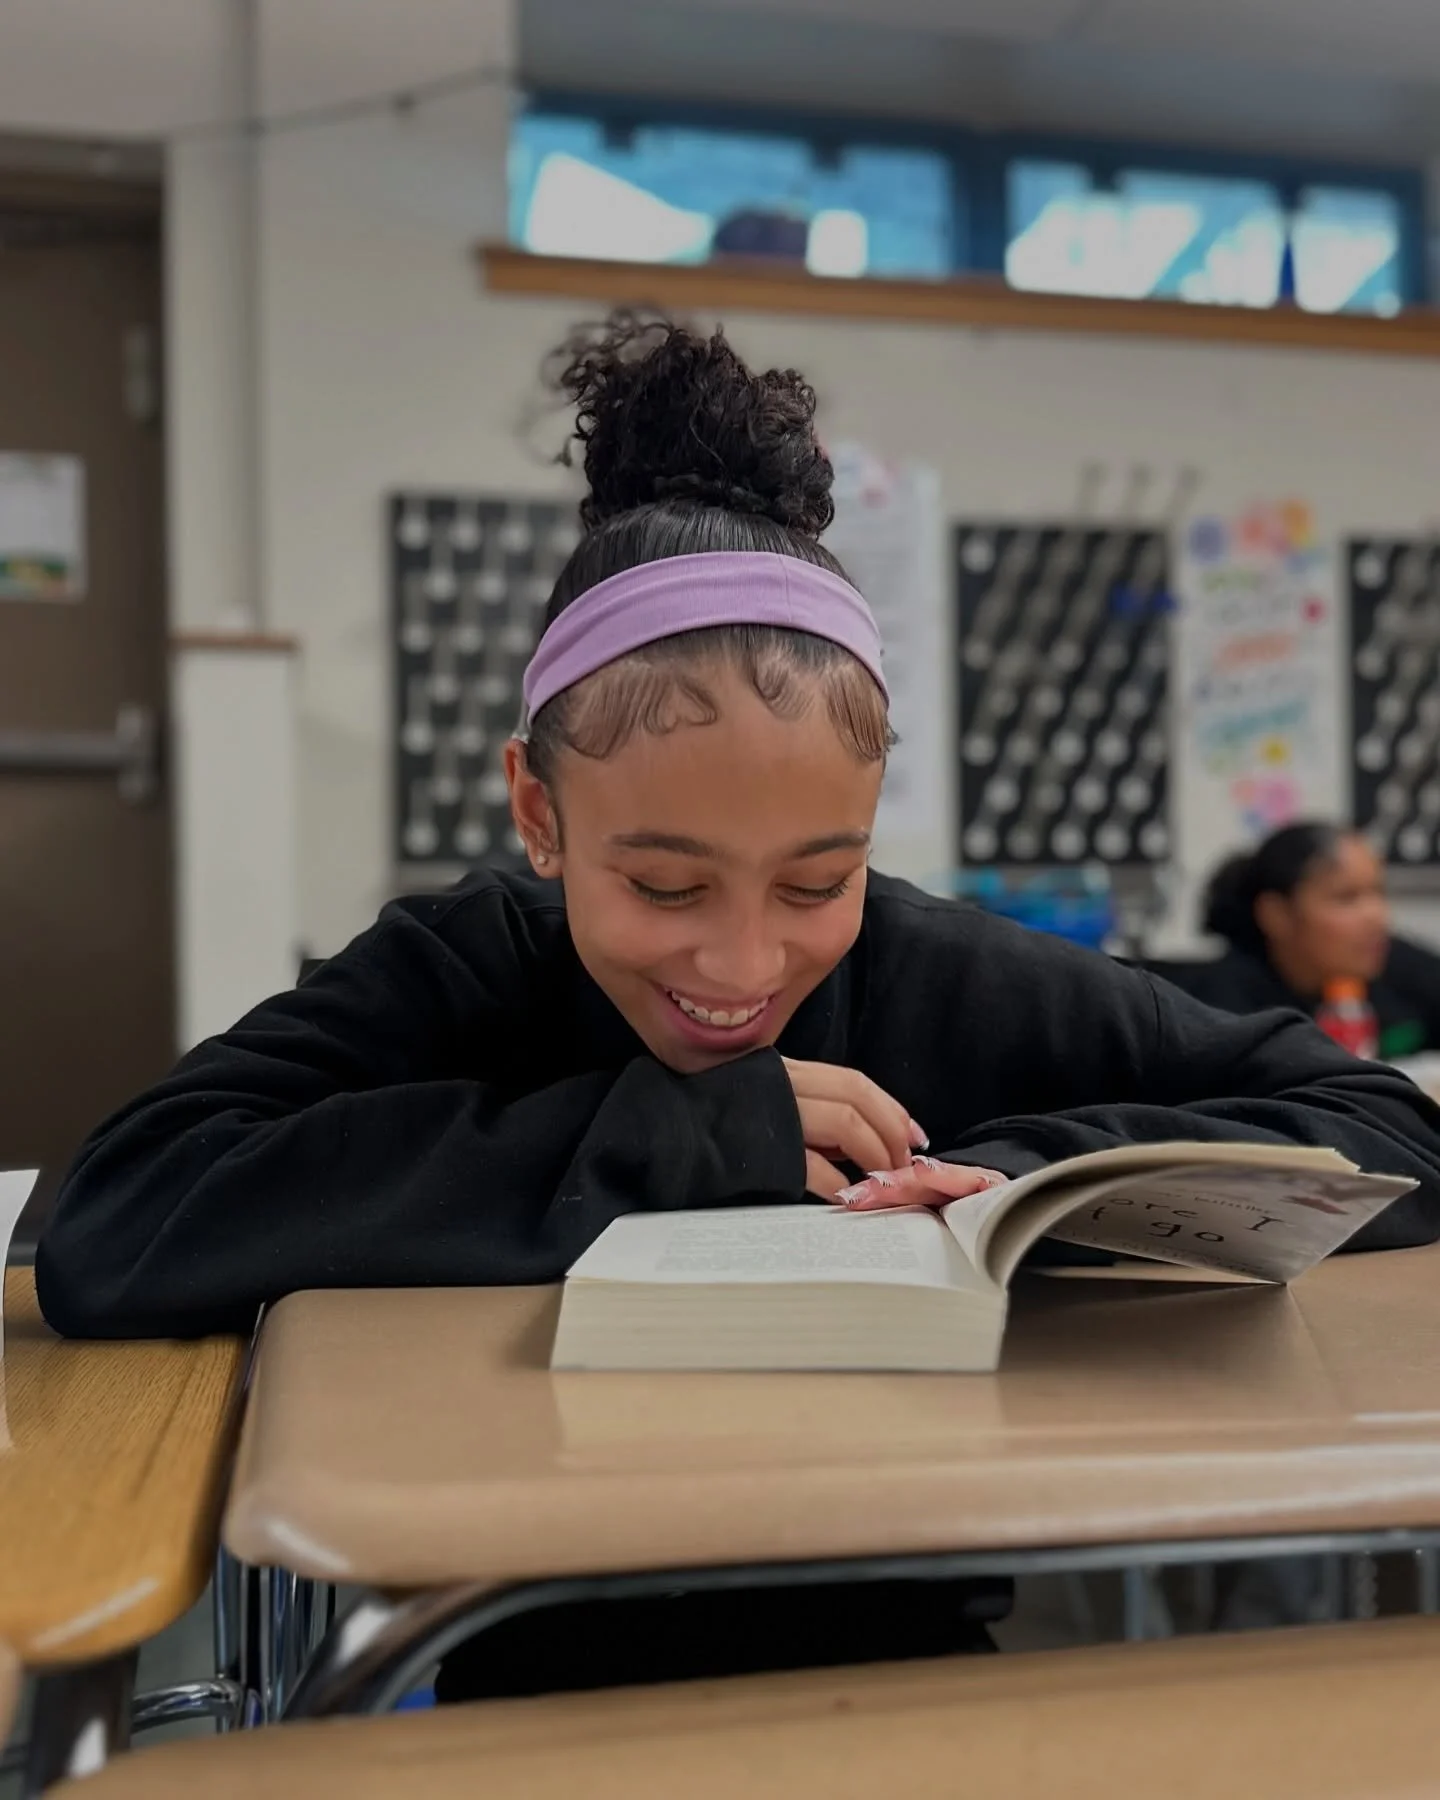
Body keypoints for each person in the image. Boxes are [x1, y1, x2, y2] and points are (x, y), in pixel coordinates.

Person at [33, 314, 1440, 1694]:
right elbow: (117, 1222)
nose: (744, 967)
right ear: (540, 808)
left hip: (910, 1658)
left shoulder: (932, 969)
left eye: (815, 882)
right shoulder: (464, 965)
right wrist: (690, 1130)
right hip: (500, 1647)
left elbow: (1380, 1124)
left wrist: (1016, 1186)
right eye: (663, 886)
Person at [1174, 822, 1440, 1058]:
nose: (1377, 916)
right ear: (1276, 914)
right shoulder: (1224, 1011)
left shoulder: (1395, 964)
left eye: (1378, 892)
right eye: (1346, 897)